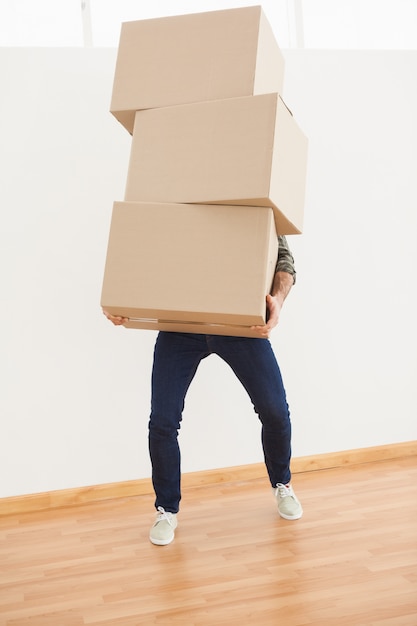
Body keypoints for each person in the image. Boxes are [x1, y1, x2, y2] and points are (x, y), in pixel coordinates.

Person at [103, 234, 302, 546]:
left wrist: (277, 299)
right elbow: (143, 250)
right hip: (181, 327)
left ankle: (282, 483)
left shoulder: (259, 199)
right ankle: (166, 509)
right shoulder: (175, 198)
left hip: (239, 324)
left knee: (275, 410)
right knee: (163, 421)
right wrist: (122, 300)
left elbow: (284, 261)